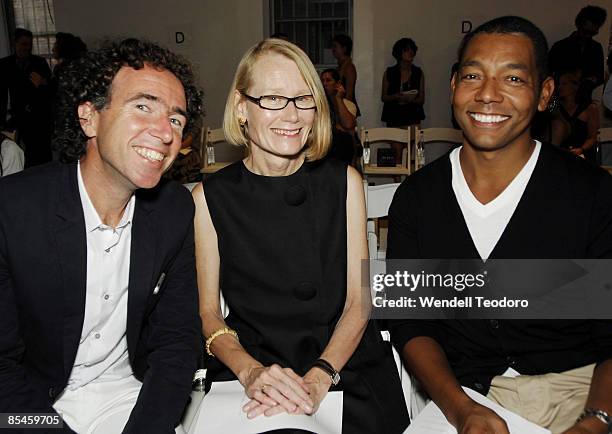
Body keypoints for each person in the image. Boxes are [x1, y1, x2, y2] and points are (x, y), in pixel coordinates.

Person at [388, 16, 612, 434]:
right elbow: (409, 321)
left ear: (545, 93)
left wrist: (596, 421)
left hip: (581, 390)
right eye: (473, 75)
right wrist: (460, 409)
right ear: (454, 85)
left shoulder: (592, 195)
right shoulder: (417, 199)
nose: (488, 95)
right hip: (468, 393)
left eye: (512, 79)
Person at [192, 38, 409, 433]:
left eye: (303, 98)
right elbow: (209, 313)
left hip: (343, 361)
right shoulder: (209, 197)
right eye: (273, 98)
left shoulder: (343, 182)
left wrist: (320, 374)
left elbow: (360, 302)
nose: (292, 115)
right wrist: (250, 372)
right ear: (242, 108)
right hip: (256, 367)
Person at [0, 38, 203, 433]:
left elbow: (176, 342)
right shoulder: (14, 209)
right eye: (143, 107)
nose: (164, 133)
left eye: (176, 120)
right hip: (24, 403)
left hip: (124, 393)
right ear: (89, 117)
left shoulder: (173, 209)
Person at [0, 28, 53, 167]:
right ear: (15, 44)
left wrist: (42, 83)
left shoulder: (39, 62)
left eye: (29, 44)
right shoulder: (4, 65)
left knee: (40, 155)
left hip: (38, 116)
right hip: (15, 115)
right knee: (14, 153)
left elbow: (52, 90)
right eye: (23, 44)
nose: (27, 48)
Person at [381, 37, 426, 164]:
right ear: (399, 52)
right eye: (407, 50)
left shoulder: (418, 72)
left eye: (412, 50)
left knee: (411, 155)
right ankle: (397, 182)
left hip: (412, 115)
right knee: (396, 154)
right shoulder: (389, 72)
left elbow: (421, 99)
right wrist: (396, 96)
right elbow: (384, 97)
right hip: (394, 116)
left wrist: (409, 99)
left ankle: (409, 180)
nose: (410, 53)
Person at [549, 5, 607, 90]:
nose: (588, 36)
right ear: (579, 25)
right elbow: (548, 73)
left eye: (592, 33)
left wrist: (591, 81)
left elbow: (600, 77)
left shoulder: (596, 48)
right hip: (560, 97)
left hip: (584, 99)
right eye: (585, 31)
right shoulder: (560, 46)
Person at [551, 68, 599, 164]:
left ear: (575, 86)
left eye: (564, 84)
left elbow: (593, 137)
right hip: (561, 154)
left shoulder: (589, 108)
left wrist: (581, 149)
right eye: (559, 84)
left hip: (583, 154)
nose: (560, 87)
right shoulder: (556, 108)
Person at [321, 68, 357, 165]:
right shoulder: (318, 105)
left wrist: (338, 99)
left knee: (344, 137)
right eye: (322, 81)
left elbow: (348, 125)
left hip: (343, 146)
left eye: (328, 80)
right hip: (325, 145)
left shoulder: (348, 105)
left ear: (338, 83)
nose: (324, 84)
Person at [331, 34, 360, 114]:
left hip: (346, 108)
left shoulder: (349, 67)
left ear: (344, 49)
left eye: (335, 46)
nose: (333, 49)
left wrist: (346, 112)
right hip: (340, 107)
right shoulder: (341, 66)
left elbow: (349, 94)